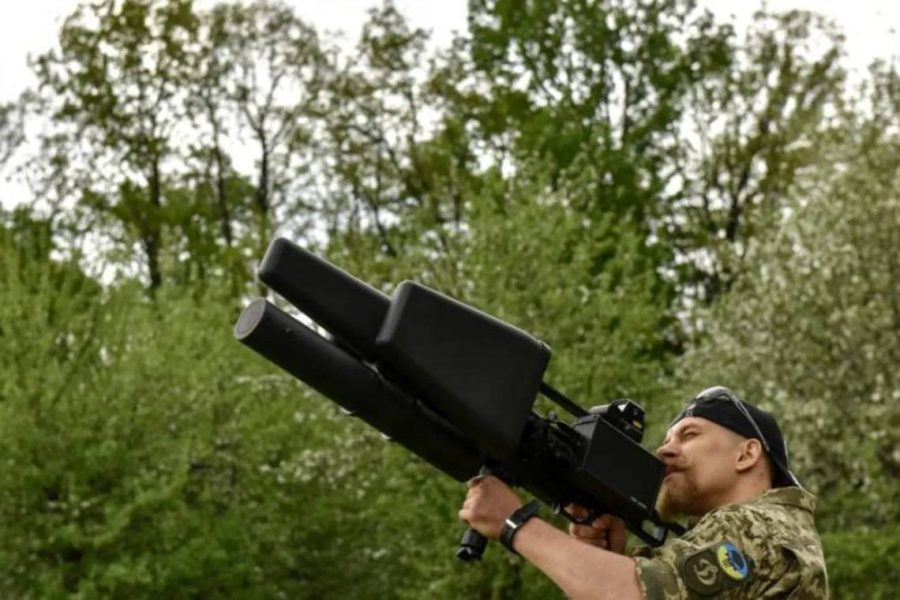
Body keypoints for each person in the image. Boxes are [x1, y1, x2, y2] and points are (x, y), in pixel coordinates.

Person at [458, 386, 829, 599]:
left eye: (690, 435)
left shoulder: (758, 526)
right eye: (666, 439)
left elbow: (636, 595)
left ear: (746, 454)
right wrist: (610, 562)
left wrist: (514, 523)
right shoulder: (778, 533)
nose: (664, 451)